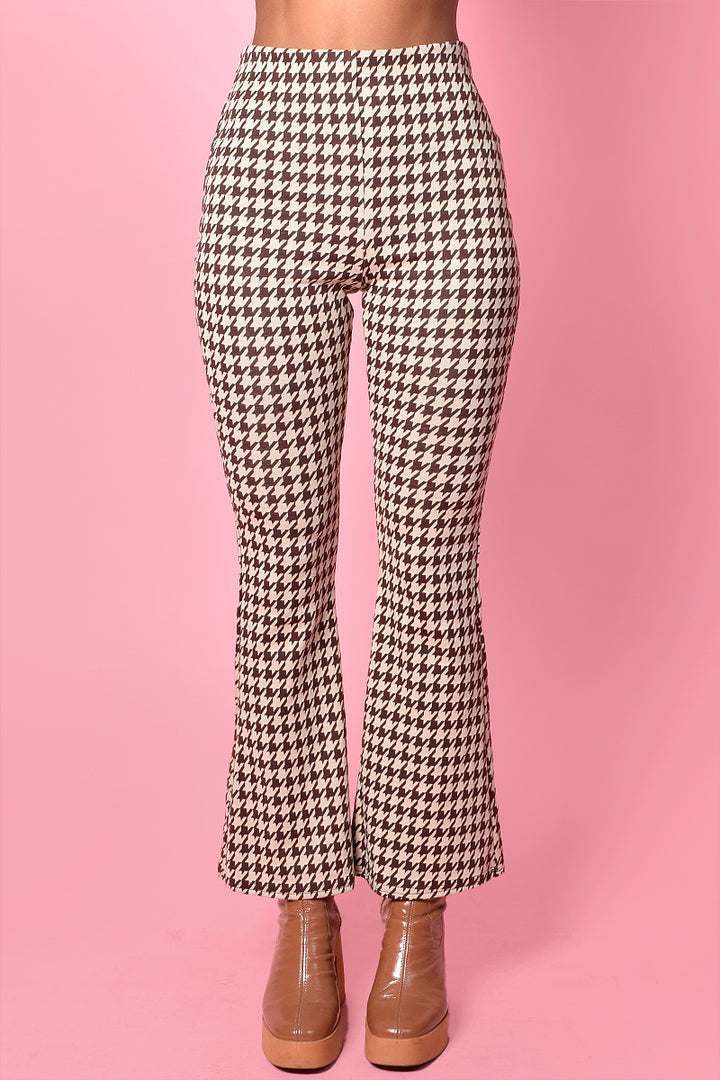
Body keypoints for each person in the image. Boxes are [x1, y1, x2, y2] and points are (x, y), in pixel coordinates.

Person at [193, 0, 520, 1068]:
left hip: (436, 136)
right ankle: (303, 909)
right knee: (280, 566)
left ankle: (417, 911)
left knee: (432, 565)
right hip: (273, 135)